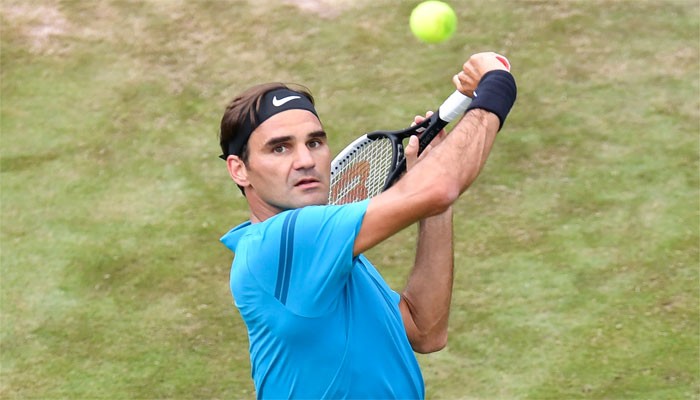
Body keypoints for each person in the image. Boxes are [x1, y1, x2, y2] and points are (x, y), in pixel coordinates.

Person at [218, 52, 517, 399]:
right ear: (239, 169)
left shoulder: (325, 253)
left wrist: (434, 207)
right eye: (280, 149)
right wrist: (497, 85)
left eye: (314, 142)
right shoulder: (287, 240)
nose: (305, 160)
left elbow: (425, 330)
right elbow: (440, 187)